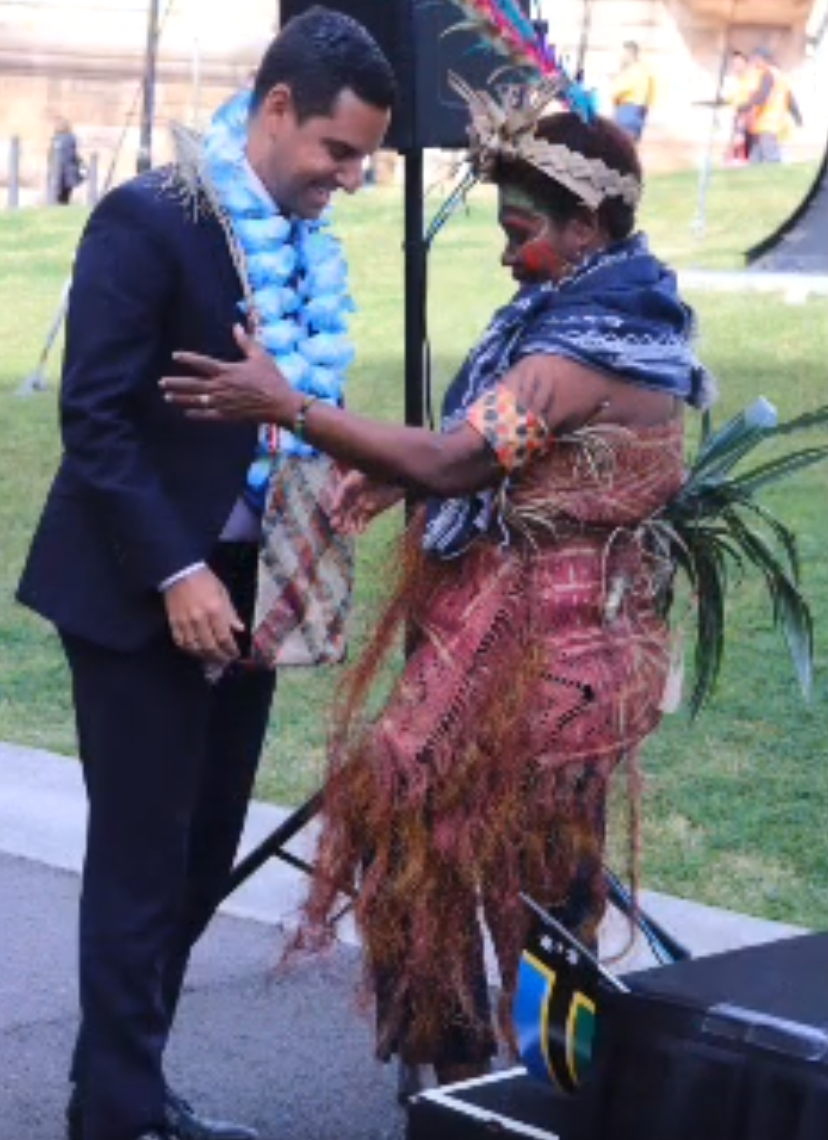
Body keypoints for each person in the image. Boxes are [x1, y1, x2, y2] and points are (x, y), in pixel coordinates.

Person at [161, 89, 717, 1088]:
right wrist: (393, 471)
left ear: (587, 225)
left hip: (549, 660)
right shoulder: (589, 315)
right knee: (432, 838)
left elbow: (463, 461)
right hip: (519, 636)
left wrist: (291, 406)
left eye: (522, 231)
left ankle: (540, 1090)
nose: (509, 254)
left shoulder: (584, 351)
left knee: (534, 884)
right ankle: (463, 1084)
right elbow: (489, 459)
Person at [17, 8, 394, 1140]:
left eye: (366, 158)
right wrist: (179, 569)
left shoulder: (291, 238)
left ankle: (120, 1089)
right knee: (143, 860)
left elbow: (271, 412)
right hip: (144, 592)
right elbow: (97, 422)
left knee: (203, 854)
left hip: (252, 590)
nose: (352, 177)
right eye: (339, 150)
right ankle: (120, 1118)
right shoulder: (151, 218)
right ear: (276, 109)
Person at [738, 47, 803, 164]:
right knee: (755, 158)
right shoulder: (780, 76)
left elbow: (762, 96)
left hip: (767, 123)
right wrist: (797, 117)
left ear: (762, 59)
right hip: (767, 123)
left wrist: (743, 107)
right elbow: (790, 99)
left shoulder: (768, 74)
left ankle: (777, 177)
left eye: (755, 59)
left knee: (771, 158)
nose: (754, 62)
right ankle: (752, 175)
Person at [611, 41, 654, 143]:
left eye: (624, 54)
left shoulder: (631, 71)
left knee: (621, 143)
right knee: (631, 144)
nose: (621, 57)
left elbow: (618, 90)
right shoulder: (644, 70)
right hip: (638, 110)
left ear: (630, 54)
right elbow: (650, 92)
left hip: (627, 109)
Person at [722, 50, 758, 163]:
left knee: (741, 141)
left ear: (745, 63)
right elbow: (733, 97)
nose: (736, 66)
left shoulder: (751, 77)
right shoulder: (737, 80)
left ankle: (733, 159)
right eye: (734, 63)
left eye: (739, 63)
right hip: (739, 113)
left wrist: (750, 115)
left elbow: (753, 96)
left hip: (747, 113)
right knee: (739, 140)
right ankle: (735, 160)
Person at [51, 117, 86, 204]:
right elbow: (72, 154)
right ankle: (63, 206)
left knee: (59, 195)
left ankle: (59, 207)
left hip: (58, 170)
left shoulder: (55, 139)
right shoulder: (71, 138)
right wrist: (81, 162)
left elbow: (51, 156)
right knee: (66, 195)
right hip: (68, 170)